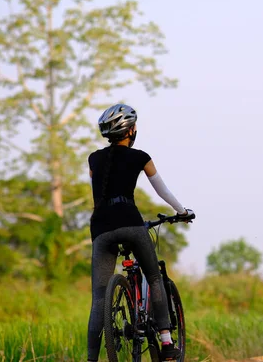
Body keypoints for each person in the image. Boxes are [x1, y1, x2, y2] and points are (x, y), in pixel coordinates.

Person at [86, 103, 193, 362]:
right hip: (131, 224)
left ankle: (91, 358)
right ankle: (167, 343)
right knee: (154, 277)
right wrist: (182, 211)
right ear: (131, 131)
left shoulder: (93, 159)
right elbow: (162, 190)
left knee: (99, 297)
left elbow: (97, 192)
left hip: (101, 229)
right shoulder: (141, 157)